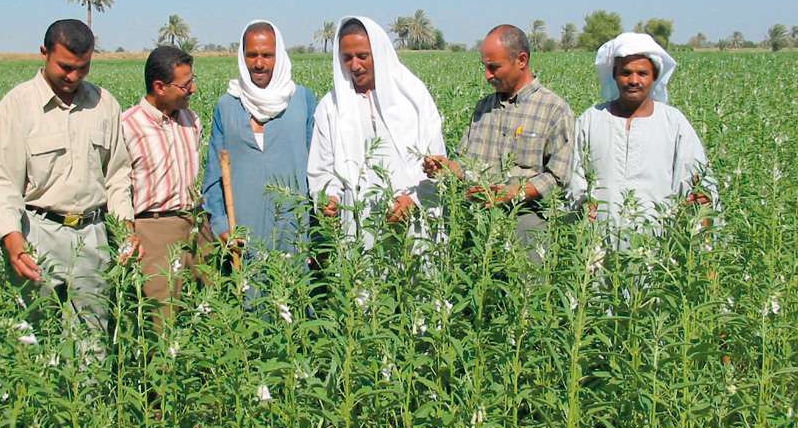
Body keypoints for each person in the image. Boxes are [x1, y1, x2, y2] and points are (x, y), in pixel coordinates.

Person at [0, 19, 139, 347]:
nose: (73, 77)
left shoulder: (103, 104)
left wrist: (126, 228)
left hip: (92, 233)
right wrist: (12, 240)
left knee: (93, 335)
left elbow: (118, 175)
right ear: (44, 53)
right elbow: (3, 183)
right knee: (37, 338)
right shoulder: (17, 106)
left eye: (83, 68)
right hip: (37, 233)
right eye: (65, 67)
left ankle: (91, 397)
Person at [423, 24, 574, 255]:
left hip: (526, 221)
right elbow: (467, 164)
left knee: (525, 289)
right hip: (477, 221)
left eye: (494, 67)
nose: (487, 75)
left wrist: (514, 192)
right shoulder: (483, 107)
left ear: (521, 60)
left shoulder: (553, 109)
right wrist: (449, 167)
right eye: (484, 67)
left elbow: (559, 176)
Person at [308, 16, 447, 248]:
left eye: (362, 56)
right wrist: (329, 197)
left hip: (414, 222)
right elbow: (322, 168)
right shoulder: (331, 107)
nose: (355, 65)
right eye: (347, 58)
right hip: (359, 225)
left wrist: (413, 199)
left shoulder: (413, 96)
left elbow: (436, 162)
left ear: (379, 53)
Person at [567, 32, 717, 232]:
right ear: (614, 75)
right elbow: (573, 174)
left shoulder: (673, 122)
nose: (633, 80)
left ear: (654, 76)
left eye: (642, 73)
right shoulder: (591, 119)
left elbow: (697, 181)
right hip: (597, 246)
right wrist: (582, 203)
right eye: (626, 72)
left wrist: (701, 205)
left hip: (658, 246)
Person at [202, 20, 316, 254]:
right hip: (242, 233)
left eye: (267, 55)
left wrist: (317, 233)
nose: (259, 63)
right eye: (251, 55)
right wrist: (222, 225)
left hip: (295, 230)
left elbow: (318, 168)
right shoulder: (227, 105)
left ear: (279, 56)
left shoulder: (302, 100)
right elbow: (213, 173)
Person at [121, 46, 205, 333]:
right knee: (161, 319)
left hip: (195, 223)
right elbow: (116, 188)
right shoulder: (127, 126)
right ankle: (162, 376)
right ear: (159, 87)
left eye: (192, 80)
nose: (192, 89)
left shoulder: (191, 120)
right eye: (185, 84)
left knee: (208, 307)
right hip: (154, 229)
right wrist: (127, 234)